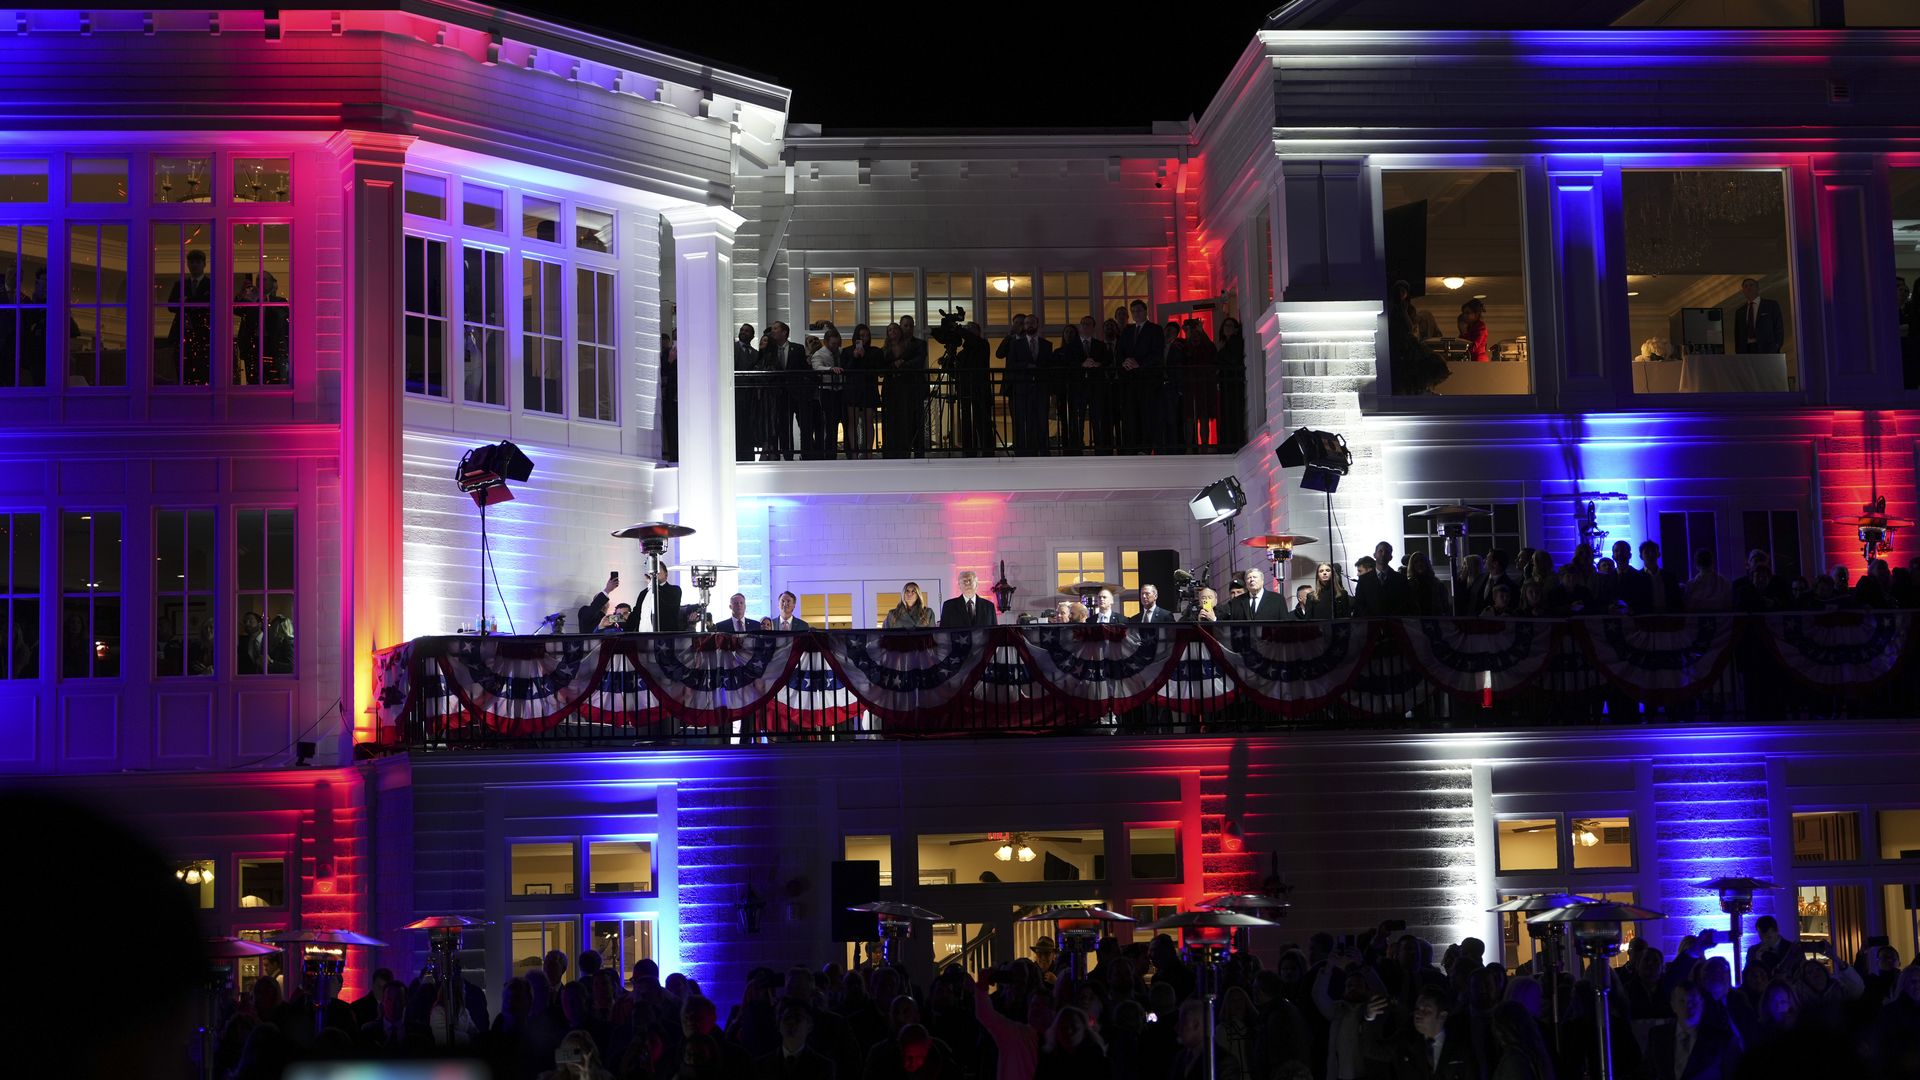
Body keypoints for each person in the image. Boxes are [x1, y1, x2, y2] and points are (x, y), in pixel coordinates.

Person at [1643, 983, 1739, 1080]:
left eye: (1693, 1001)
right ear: (1673, 1005)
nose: (1688, 1006)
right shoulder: (1658, 1036)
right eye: (1682, 1001)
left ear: (1702, 1004)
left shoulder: (1721, 1039)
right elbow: (1647, 1071)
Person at [997, 313, 1052, 455]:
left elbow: (1049, 365)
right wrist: (1026, 365)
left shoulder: (1046, 344)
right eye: (1026, 323)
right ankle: (1022, 451)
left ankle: (1043, 450)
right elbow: (1010, 363)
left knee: (1041, 420)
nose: (1029, 325)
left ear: (1037, 324)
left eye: (1032, 322)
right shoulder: (1015, 343)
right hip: (1021, 388)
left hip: (1040, 388)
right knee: (1021, 420)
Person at [762, 322, 818, 460]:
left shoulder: (797, 348)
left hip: (798, 394)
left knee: (804, 425)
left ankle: (807, 455)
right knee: (784, 427)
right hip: (780, 395)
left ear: (784, 332)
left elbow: (805, 370)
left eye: (776, 328)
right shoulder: (771, 350)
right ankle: (788, 456)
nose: (773, 331)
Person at [1057, 314, 1110, 454]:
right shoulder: (1071, 346)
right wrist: (1082, 364)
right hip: (1077, 387)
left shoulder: (1101, 345)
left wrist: (1098, 364)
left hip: (1095, 387)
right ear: (1080, 327)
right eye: (1083, 323)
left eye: (1088, 324)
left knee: (1097, 418)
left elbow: (1108, 362)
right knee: (1077, 420)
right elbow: (1066, 364)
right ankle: (1076, 450)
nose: (1085, 326)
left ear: (1093, 327)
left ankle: (1100, 449)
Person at [1119, 299, 1164, 451]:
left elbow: (1157, 353)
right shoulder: (1127, 331)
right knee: (1132, 414)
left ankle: (1146, 447)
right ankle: (1133, 447)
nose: (1136, 313)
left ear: (1145, 311)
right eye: (1134, 311)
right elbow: (1119, 351)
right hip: (1131, 380)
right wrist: (1125, 362)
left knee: (1147, 414)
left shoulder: (1155, 329)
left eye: (1139, 310)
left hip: (1148, 380)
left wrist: (1140, 364)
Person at [841, 323, 881, 458]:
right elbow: (845, 370)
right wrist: (854, 356)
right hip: (852, 389)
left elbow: (876, 369)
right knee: (852, 421)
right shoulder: (847, 351)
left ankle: (869, 451)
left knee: (868, 420)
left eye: (866, 335)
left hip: (869, 388)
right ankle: (854, 451)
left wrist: (864, 357)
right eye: (861, 336)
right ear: (856, 337)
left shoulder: (875, 351)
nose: (864, 338)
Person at [809, 328, 845, 458]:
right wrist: (830, 369)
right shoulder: (819, 354)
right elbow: (816, 367)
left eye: (837, 344)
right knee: (830, 425)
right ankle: (830, 454)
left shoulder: (840, 352)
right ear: (825, 342)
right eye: (832, 344)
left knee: (844, 422)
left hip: (841, 391)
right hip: (828, 392)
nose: (835, 346)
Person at [735, 323, 766, 460]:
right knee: (736, 425)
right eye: (742, 330)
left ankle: (748, 456)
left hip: (751, 396)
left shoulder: (756, 353)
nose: (743, 332)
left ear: (752, 335)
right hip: (735, 394)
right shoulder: (731, 348)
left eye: (747, 331)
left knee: (749, 426)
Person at [1217, 315, 1248, 447]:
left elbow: (1233, 360)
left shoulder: (1235, 341)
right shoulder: (1227, 343)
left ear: (1236, 329)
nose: (1227, 328)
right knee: (1227, 414)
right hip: (1227, 383)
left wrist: (1221, 351)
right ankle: (1228, 442)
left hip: (1233, 384)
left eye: (1230, 325)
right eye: (1225, 325)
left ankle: (1232, 443)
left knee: (1232, 413)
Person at [1733, 278, 1784, 354]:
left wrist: (1776, 346)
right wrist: (1739, 351)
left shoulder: (1771, 305)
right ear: (1743, 291)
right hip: (1746, 350)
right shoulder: (1740, 312)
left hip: (1767, 349)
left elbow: (1778, 327)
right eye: (1745, 286)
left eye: (1751, 285)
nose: (1748, 288)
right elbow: (1737, 334)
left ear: (1757, 288)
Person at [1457, 299, 1489, 364]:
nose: (1464, 315)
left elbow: (1473, 347)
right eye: (1463, 313)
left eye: (1467, 313)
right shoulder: (1468, 327)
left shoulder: (1481, 327)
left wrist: (1464, 332)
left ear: (1476, 314)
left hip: (1478, 362)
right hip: (1468, 361)